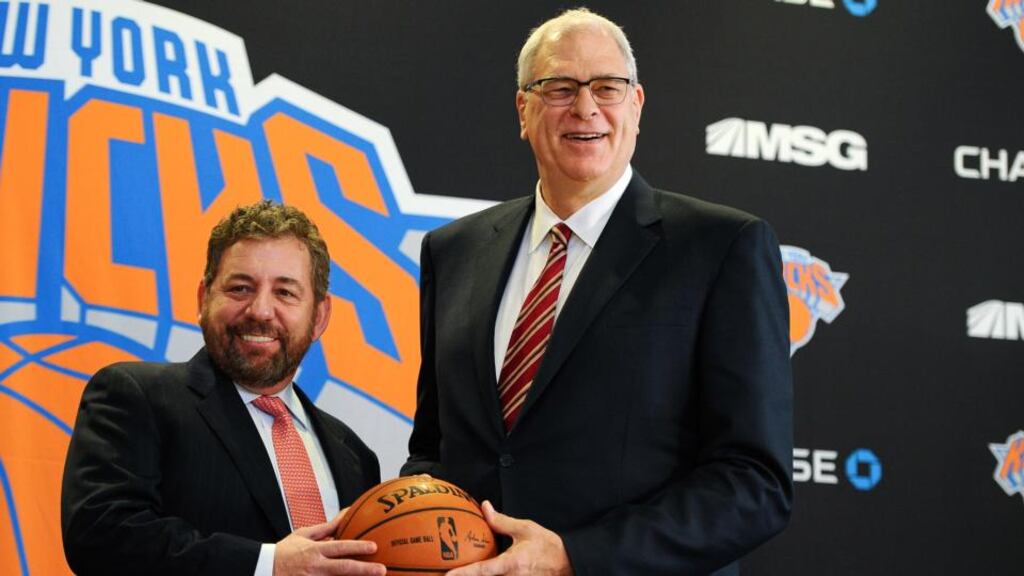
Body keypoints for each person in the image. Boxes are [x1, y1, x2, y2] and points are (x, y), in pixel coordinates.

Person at [402, 8, 793, 576]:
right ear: (523, 110)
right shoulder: (453, 251)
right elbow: (434, 447)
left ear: (636, 106)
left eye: (607, 87)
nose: (585, 107)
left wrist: (573, 557)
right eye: (559, 87)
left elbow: (754, 483)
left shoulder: (722, 248)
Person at [62, 201, 386, 576]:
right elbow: (102, 536)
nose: (260, 311)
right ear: (204, 299)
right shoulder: (137, 397)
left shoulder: (356, 457)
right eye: (240, 288)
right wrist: (267, 566)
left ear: (319, 316)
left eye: (285, 293)